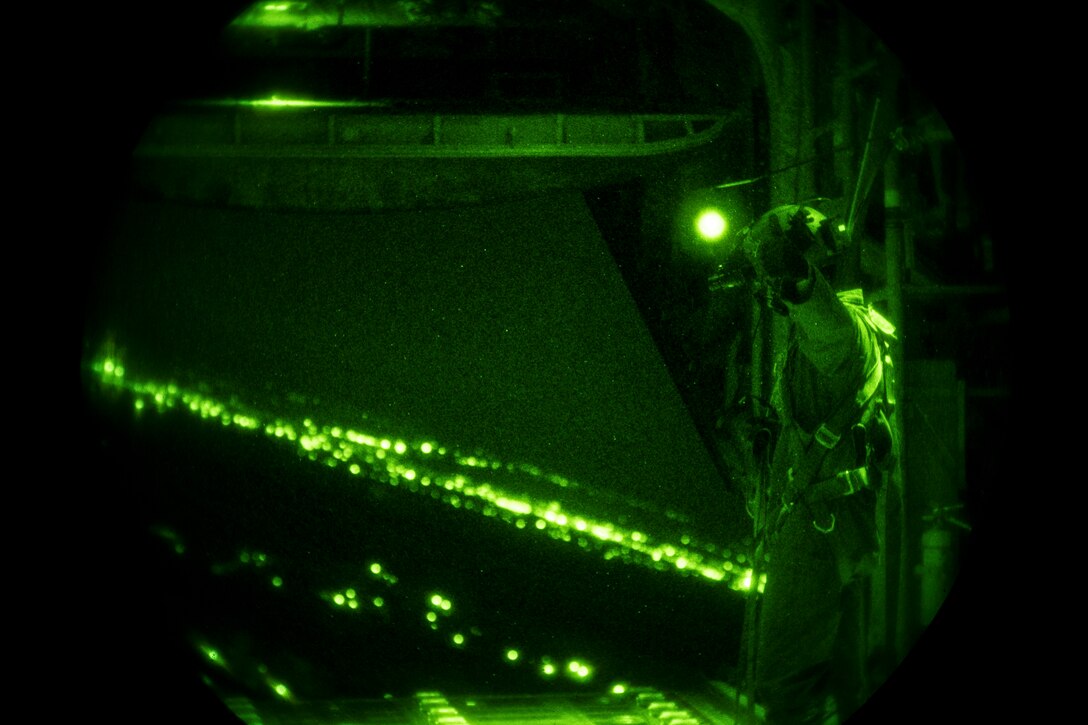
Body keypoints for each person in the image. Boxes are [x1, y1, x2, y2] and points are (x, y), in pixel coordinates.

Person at [724, 205, 897, 724]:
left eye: (768, 284)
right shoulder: (848, 333)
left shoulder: (839, 331)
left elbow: (809, 298)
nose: (767, 295)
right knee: (841, 680)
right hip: (839, 523)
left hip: (819, 531)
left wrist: (783, 263)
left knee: (787, 675)